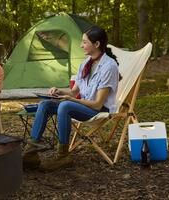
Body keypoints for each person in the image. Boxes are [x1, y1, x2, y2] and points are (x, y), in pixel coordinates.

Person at [23, 26, 120, 171]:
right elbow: (74, 92)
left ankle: (63, 156)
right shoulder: (86, 63)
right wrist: (59, 91)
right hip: (83, 105)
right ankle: (30, 154)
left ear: (97, 44)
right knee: (45, 104)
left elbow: (98, 104)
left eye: (85, 42)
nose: (81, 45)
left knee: (65, 106)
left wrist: (71, 100)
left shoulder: (109, 67)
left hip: (98, 110)